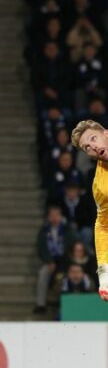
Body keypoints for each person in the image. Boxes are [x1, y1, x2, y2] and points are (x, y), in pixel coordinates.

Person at [71, 119, 108, 300]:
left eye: (94, 138)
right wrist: (104, 273)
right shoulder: (100, 186)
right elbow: (103, 226)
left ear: (106, 134)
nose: (92, 146)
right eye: (87, 147)